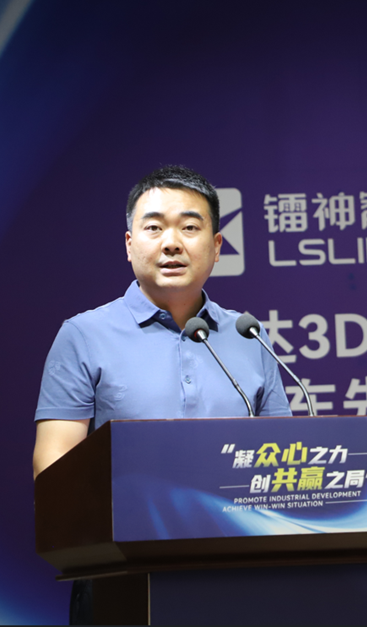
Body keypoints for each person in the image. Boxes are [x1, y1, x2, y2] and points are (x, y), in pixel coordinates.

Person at [31, 165, 292, 624]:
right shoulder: (84, 335)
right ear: (130, 244)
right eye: (154, 228)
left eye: (190, 228)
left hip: (238, 569)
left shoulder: (248, 335)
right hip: (121, 572)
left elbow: (283, 456)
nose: (172, 243)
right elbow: (55, 464)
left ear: (216, 247)